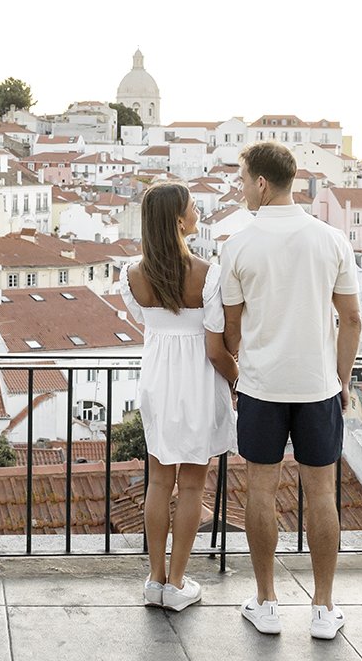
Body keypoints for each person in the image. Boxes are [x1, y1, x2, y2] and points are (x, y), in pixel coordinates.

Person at [220, 141, 362, 641]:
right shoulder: (331, 240)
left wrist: (247, 363)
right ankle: (323, 609)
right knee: (322, 494)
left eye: (242, 180)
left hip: (261, 387)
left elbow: (232, 326)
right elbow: (352, 318)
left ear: (261, 182)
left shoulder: (237, 245)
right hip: (318, 386)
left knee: (260, 490)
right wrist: (341, 379)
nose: (240, 188)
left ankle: (267, 602)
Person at [118, 182, 239, 612]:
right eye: (192, 208)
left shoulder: (131, 274)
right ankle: (177, 582)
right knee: (192, 485)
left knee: (158, 480)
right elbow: (214, 346)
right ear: (177, 220)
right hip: (198, 378)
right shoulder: (208, 274)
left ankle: (154, 580)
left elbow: (148, 325)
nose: (198, 214)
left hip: (157, 377)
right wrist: (238, 380)